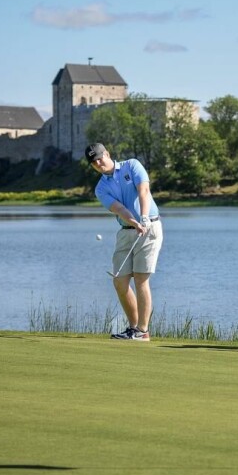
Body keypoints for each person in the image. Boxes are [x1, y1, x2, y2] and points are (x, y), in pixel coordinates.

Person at [86, 142, 163, 342]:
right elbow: (119, 209)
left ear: (108, 154)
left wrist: (144, 218)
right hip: (126, 231)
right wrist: (135, 222)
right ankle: (133, 327)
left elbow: (144, 191)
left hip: (150, 227)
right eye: (94, 162)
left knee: (140, 279)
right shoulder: (101, 188)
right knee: (119, 280)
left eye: (100, 158)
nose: (98, 163)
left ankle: (143, 331)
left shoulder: (132, 165)